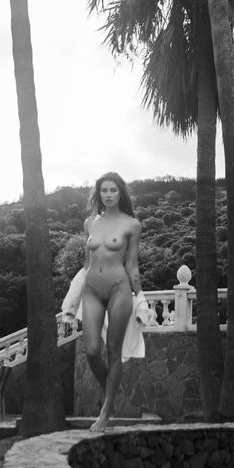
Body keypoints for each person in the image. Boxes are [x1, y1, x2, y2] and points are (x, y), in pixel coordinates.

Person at [81, 171, 143, 433]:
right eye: (104, 190)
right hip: (91, 290)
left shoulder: (132, 225)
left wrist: (141, 298)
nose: (108, 195)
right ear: (99, 193)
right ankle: (111, 395)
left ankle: (105, 411)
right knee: (92, 351)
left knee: (114, 350)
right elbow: (86, 264)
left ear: (120, 193)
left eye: (113, 190)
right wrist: (71, 301)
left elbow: (132, 265)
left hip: (119, 289)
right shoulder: (90, 223)